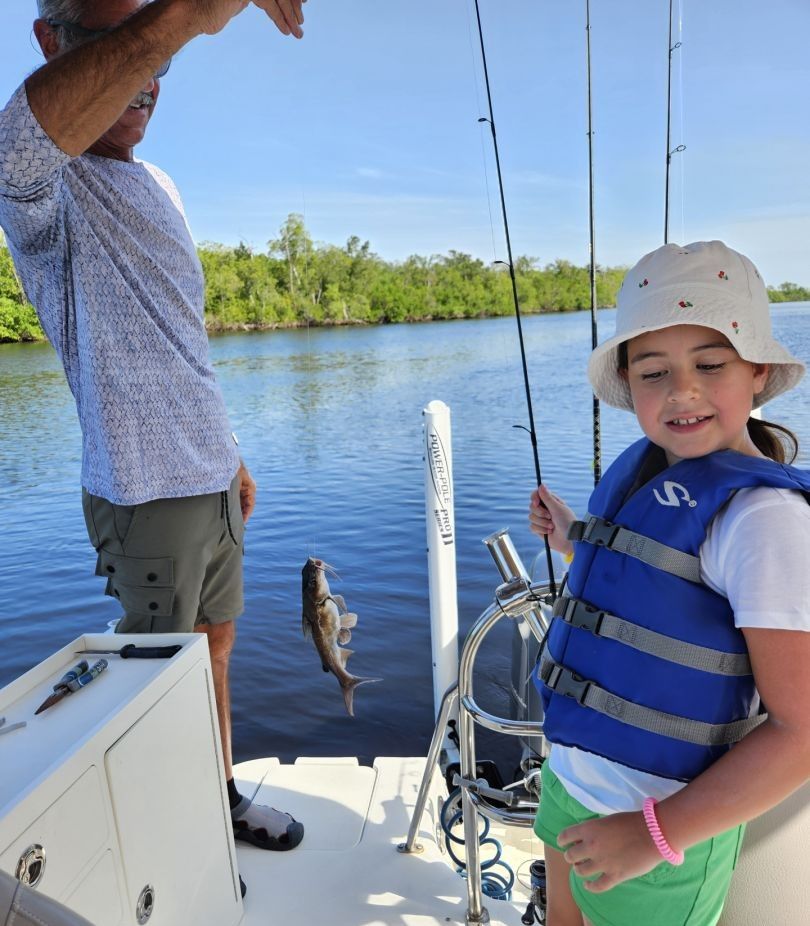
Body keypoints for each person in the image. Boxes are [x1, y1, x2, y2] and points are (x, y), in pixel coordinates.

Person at [0, 0, 309, 875]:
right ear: (50, 42)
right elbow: (14, 141)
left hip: (211, 479)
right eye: (121, 45)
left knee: (215, 649)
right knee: (156, 684)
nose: (147, 77)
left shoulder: (159, 183)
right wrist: (187, 14)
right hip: (144, 493)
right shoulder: (45, 187)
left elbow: (181, 343)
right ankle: (180, 859)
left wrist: (231, 454)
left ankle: (217, 799)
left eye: (162, 61)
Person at [527, 240, 810, 926]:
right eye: (654, 373)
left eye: (710, 364)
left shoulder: (763, 521)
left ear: (759, 373)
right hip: (572, 782)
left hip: (657, 826)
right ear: (629, 385)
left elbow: (802, 732)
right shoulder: (654, 465)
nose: (682, 391)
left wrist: (654, 837)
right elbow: (648, 585)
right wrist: (573, 540)